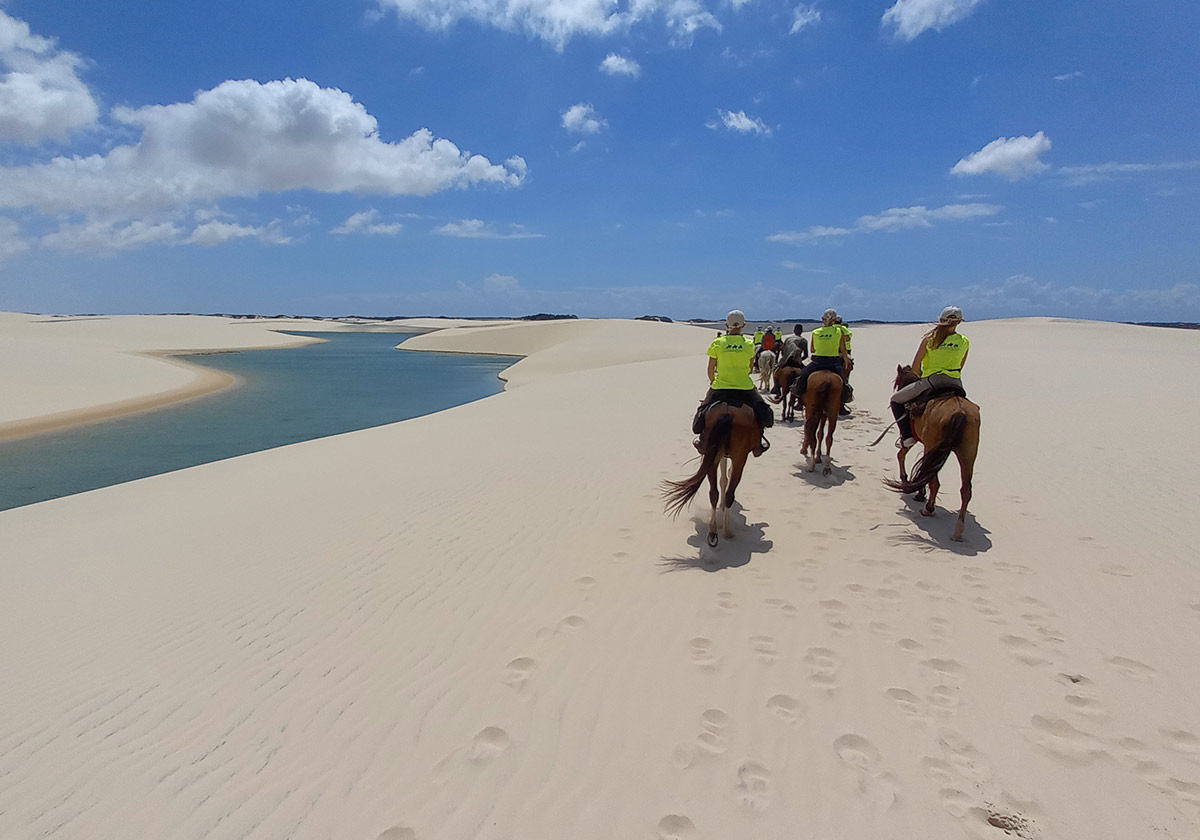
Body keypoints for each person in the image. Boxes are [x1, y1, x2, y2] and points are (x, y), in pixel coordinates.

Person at [692, 310, 773, 456]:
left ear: (726, 325)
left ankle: (702, 441)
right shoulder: (749, 344)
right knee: (766, 415)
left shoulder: (717, 342)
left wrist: (713, 382)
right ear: (744, 325)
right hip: (745, 387)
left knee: (701, 415)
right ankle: (759, 443)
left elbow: (710, 369)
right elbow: (749, 368)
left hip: (720, 386)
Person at [890, 305, 970, 448]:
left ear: (941, 319)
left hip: (931, 381)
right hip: (956, 382)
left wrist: (921, 376)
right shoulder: (964, 341)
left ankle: (907, 437)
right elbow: (961, 366)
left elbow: (915, 367)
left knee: (896, 400)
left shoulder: (930, 339)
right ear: (959, 322)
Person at [789, 309, 849, 406]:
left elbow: (812, 350)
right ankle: (842, 404)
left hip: (817, 362)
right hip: (833, 363)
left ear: (822, 319)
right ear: (834, 320)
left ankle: (799, 401)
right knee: (845, 384)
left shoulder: (816, 332)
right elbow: (843, 348)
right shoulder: (839, 331)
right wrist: (846, 360)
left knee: (801, 379)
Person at [771, 323, 809, 398]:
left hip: (787, 361)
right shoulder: (804, 341)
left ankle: (777, 389)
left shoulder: (788, 339)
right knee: (806, 375)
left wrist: (785, 358)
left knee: (775, 371)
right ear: (801, 331)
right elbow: (806, 355)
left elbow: (782, 350)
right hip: (797, 363)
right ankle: (802, 395)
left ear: (794, 330)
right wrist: (800, 360)